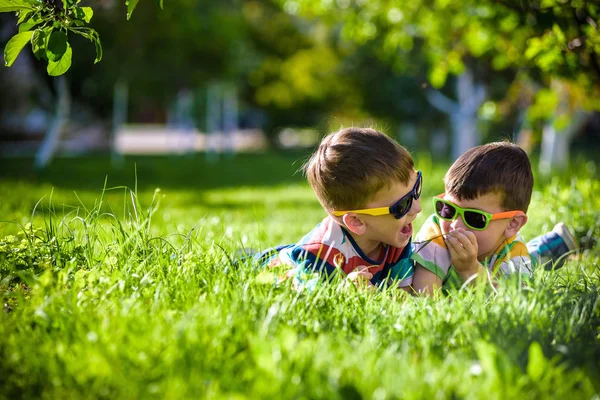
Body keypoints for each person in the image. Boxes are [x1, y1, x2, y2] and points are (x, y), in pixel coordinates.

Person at [255, 127, 421, 291]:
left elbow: (405, 296)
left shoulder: (396, 234)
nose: (417, 208)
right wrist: (345, 291)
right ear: (356, 221)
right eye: (402, 205)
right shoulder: (319, 255)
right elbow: (312, 299)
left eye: (417, 187)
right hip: (277, 265)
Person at [411, 141, 578, 295]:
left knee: (528, 262)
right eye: (448, 209)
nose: (455, 225)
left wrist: (471, 271)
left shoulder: (514, 253)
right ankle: (542, 248)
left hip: (506, 257)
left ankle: (549, 247)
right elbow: (423, 295)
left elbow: (515, 301)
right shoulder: (437, 230)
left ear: (512, 223)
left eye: (474, 218)